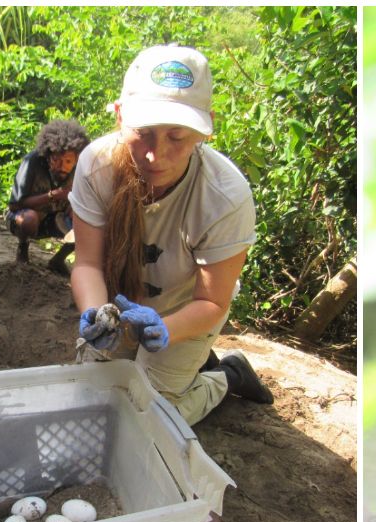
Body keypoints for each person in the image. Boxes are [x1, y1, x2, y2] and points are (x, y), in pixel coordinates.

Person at [69, 45, 273, 425]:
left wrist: (167, 327)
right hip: (121, 299)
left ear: (205, 127)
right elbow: (87, 264)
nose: (154, 155)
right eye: (143, 133)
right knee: (91, 398)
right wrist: (95, 314)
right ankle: (182, 364)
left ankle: (226, 377)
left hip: (188, 310)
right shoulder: (96, 165)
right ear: (118, 116)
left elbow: (212, 301)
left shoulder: (225, 196)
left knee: (148, 416)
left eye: (177, 137)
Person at [5, 119, 90, 272]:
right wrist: (53, 196)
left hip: (55, 219)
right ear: (48, 156)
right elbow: (14, 205)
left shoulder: (80, 169)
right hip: (24, 218)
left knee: (87, 220)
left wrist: (73, 208)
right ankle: (22, 248)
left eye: (68, 161)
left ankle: (58, 260)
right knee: (29, 219)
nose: (62, 166)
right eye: (56, 160)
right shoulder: (32, 162)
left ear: (76, 159)